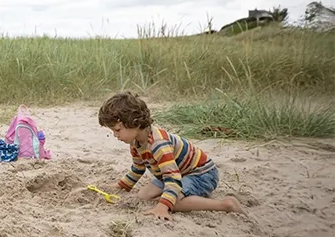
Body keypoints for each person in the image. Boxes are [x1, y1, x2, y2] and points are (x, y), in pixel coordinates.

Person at [98, 91, 244, 221]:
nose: (115, 135)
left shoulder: (158, 144)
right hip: (175, 173)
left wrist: (163, 206)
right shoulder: (135, 142)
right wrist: (121, 186)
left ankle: (225, 204)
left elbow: (172, 177)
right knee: (143, 196)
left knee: (173, 202)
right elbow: (138, 167)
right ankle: (177, 196)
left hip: (201, 173)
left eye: (118, 130)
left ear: (134, 122)